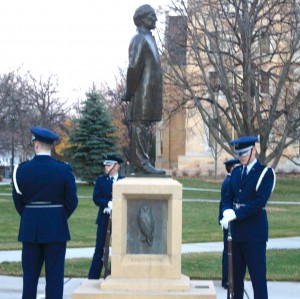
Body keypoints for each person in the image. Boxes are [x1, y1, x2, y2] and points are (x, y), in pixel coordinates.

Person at [12, 126, 78, 299]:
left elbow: (18, 203)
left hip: (30, 231)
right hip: (56, 231)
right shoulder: (63, 170)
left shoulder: (21, 170)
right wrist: (57, 216)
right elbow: (72, 202)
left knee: (30, 280)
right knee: (55, 279)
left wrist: (31, 217)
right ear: (51, 147)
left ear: (36, 145)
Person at [220, 136, 276, 299]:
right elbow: (227, 197)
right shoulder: (236, 172)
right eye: (239, 154)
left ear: (254, 150)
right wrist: (226, 211)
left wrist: (235, 214)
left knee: (258, 280)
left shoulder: (265, 173)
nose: (241, 157)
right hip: (236, 234)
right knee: (235, 282)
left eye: (244, 153)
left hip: (254, 235)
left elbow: (259, 202)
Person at [122, 4, 165, 175]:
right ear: (141, 19)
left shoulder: (149, 38)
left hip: (150, 94)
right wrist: (129, 91)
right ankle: (141, 163)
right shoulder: (139, 39)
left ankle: (143, 162)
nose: (155, 18)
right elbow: (133, 68)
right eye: (151, 15)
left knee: (145, 126)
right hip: (141, 93)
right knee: (140, 125)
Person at [88, 154, 124, 279]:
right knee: (100, 249)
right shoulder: (100, 180)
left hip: (120, 220)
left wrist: (117, 205)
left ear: (116, 167)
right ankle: (93, 277)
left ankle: (117, 274)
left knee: (120, 249)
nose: (106, 167)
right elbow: (96, 198)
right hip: (104, 219)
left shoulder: (124, 181)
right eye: (106, 165)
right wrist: (108, 204)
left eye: (108, 165)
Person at [218, 158, 240, 289]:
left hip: (228, 219)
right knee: (228, 250)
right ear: (232, 168)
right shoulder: (229, 182)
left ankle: (227, 278)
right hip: (229, 220)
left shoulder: (228, 180)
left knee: (228, 249)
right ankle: (227, 279)